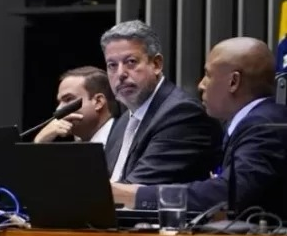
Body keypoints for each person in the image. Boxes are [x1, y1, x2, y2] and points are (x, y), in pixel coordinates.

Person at [112, 37, 287, 216]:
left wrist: (132, 194)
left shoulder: (265, 126)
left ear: (233, 82)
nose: (201, 85)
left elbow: (227, 194)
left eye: (208, 75)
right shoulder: (252, 122)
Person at [102, 20, 221, 184]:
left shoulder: (181, 114)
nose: (120, 73)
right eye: (112, 65)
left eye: (131, 62)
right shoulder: (124, 122)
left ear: (156, 64)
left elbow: (136, 189)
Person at [33, 66, 119, 147]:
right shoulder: (70, 150)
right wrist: (39, 144)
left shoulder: (125, 139)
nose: (58, 109)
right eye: (59, 102)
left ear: (98, 102)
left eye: (68, 99)